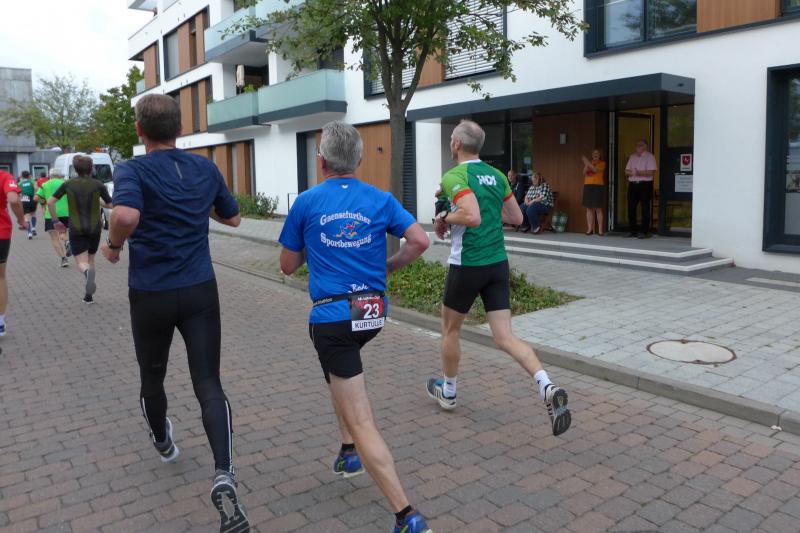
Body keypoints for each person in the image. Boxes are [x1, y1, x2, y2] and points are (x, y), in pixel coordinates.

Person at [100, 94, 249, 533]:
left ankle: (164, 442)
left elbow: (125, 214)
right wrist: (195, 206)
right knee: (208, 381)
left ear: (139, 130)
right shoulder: (204, 168)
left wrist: (113, 246)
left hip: (152, 293)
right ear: (180, 129)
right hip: (200, 289)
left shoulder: (132, 169)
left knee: (152, 376)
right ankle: (224, 473)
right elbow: (234, 219)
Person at [279, 121, 433, 533]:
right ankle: (348, 452)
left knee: (361, 415)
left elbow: (288, 265)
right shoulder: (381, 199)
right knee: (339, 373)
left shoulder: (307, 202)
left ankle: (407, 515)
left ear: (322, 162)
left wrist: (314, 244)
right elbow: (420, 241)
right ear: (360, 160)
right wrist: (387, 268)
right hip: (371, 313)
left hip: (332, 318)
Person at [427, 119, 571, 437]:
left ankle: (448, 392)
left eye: (451, 139)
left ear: (457, 144)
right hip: (497, 264)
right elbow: (517, 217)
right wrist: (478, 210)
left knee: (450, 330)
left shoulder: (454, 176)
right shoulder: (496, 175)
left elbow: (472, 216)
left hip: (467, 264)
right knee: (505, 337)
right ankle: (546, 386)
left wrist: (444, 216)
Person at [48, 155, 112, 304]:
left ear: (75, 169)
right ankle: (89, 295)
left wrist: (56, 221)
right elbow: (110, 205)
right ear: (91, 168)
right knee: (91, 259)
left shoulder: (68, 184)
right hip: (95, 228)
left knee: (82, 262)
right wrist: (99, 202)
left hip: (76, 228)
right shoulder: (98, 184)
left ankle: (86, 272)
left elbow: (50, 202)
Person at [0, 170, 26, 336]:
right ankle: (0, 322)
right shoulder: (4, 176)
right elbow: (13, 199)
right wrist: (21, 220)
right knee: (0, 277)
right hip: (1, 231)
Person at [35, 168, 70, 268]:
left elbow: (36, 198)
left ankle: (63, 259)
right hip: (65, 212)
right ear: (60, 175)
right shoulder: (66, 183)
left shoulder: (45, 185)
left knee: (54, 238)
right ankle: (67, 241)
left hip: (50, 214)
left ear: (50, 175)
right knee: (63, 233)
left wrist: (44, 202)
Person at [625, 139, 657, 238]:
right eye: (637, 145)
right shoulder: (632, 157)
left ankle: (644, 232)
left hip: (645, 185)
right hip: (633, 184)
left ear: (645, 146)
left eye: (640, 145)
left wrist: (638, 173)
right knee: (631, 208)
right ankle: (633, 231)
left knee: (645, 208)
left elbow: (651, 172)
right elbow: (626, 171)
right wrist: (632, 173)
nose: (637, 147)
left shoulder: (650, 157)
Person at [581, 149, 607, 236]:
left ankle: (600, 230)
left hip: (598, 186)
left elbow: (595, 170)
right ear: (592, 155)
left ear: (600, 155)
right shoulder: (589, 162)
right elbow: (584, 172)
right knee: (588, 208)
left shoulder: (602, 163)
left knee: (598, 208)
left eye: (597, 153)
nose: (595, 154)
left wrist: (586, 162)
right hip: (588, 185)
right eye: (594, 153)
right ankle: (590, 229)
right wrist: (587, 164)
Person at [19, 171, 38, 239]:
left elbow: (18, 193)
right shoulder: (32, 182)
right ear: (29, 176)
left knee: (26, 217)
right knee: (33, 214)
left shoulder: (20, 183)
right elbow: (36, 189)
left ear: (21, 176)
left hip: (24, 199)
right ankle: (33, 228)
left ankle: (29, 233)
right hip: (32, 198)